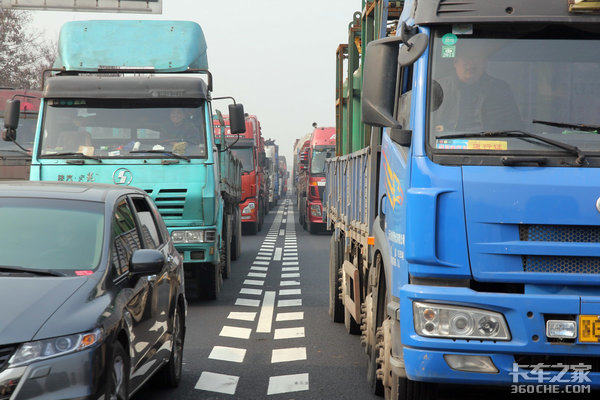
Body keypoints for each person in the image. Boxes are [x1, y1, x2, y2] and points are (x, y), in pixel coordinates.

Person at [432, 45, 522, 133]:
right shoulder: (439, 88)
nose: (471, 64)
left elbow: (513, 127)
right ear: (455, 62)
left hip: (490, 144)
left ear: (485, 63)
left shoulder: (500, 89)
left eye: (476, 58)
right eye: (467, 58)